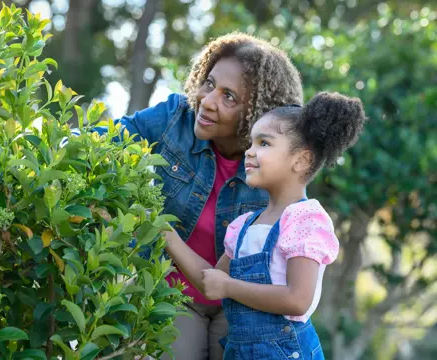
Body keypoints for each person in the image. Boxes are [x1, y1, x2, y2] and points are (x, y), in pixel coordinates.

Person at [92, 32, 304, 360]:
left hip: (244, 303)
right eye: (209, 83)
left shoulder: (277, 162)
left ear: (258, 113)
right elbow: (103, 139)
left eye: (229, 97)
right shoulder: (175, 117)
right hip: (175, 294)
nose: (208, 100)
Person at [164, 92, 367, 359]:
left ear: (301, 160)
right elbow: (211, 282)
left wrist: (229, 287)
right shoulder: (244, 226)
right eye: (251, 142)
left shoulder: (304, 220)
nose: (249, 151)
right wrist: (165, 233)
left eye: (264, 143)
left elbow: (297, 299)